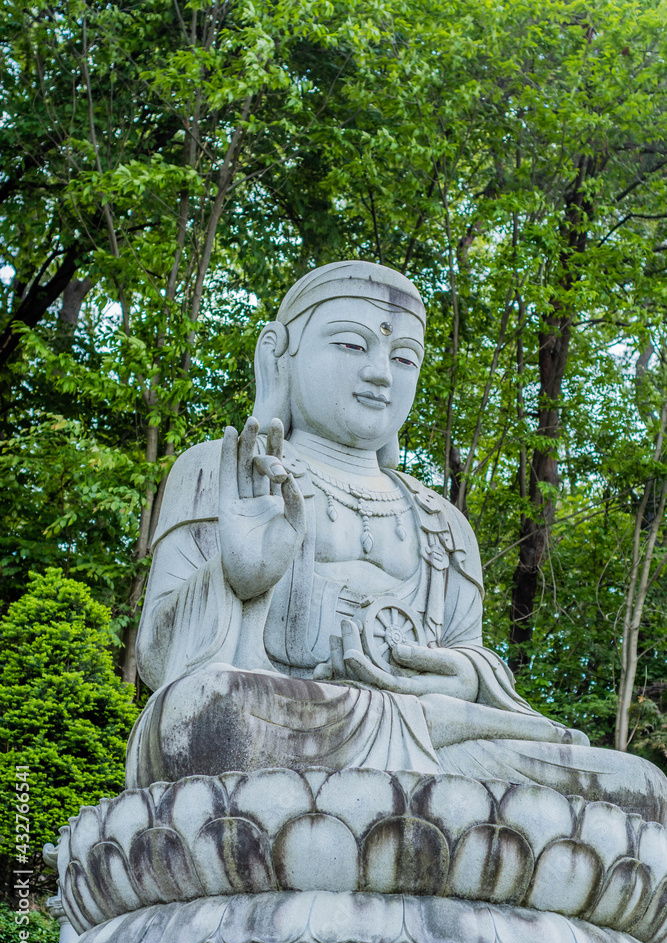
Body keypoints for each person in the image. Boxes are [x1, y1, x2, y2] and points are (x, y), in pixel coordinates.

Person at [126, 261, 667, 823]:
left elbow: (469, 650)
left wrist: (467, 676)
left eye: (404, 357)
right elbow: (160, 659)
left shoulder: (444, 522)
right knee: (207, 714)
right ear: (276, 354)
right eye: (351, 345)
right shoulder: (226, 471)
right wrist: (236, 579)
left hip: (443, 734)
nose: (381, 373)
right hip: (293, 722)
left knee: (640, 786)